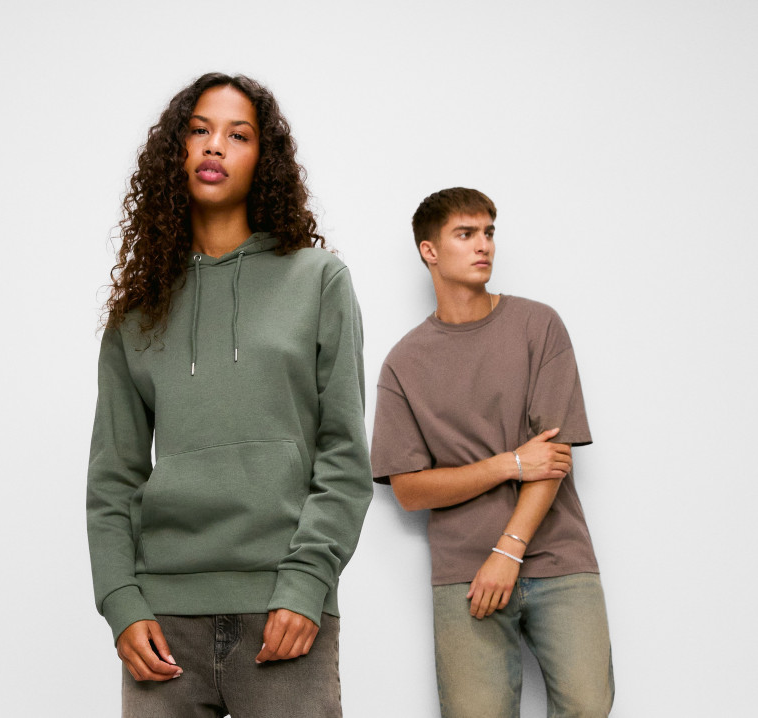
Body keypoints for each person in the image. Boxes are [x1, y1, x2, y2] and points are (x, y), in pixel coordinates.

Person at [87, 72, 372, 718]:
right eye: (199, 131)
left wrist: (307, 582)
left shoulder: (318, 280)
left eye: (237, 135)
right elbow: (113, 476)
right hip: (162, 623)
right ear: (176, 152)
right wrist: (121, 601)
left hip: (284, 611)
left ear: (263, 160)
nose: (214, 145)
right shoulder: (137, 311)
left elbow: (344, 452)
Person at [371, 187, 614, 717]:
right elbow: (409, 490)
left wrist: (508, 551)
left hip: (558, 559)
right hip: (464, 573)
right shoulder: (404, 363)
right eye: (465, 234)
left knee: (588, 708)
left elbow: (553, 457)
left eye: (488, 232)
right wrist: (510, 463)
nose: (483, 245)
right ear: (429, 251)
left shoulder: (538, 325)